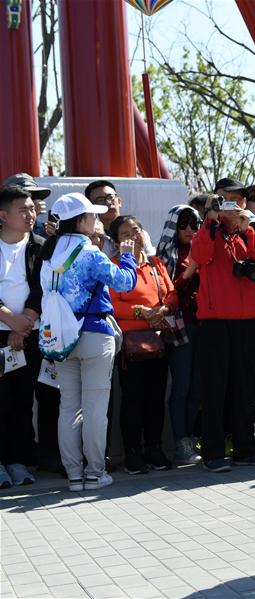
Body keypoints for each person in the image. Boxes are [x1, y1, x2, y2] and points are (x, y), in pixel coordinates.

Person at [39, 193, 137, 491]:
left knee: (68, 407)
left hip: (61, 338)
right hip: (94, 333)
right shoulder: (90, 252)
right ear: (80, 221)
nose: (97, 220)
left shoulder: (48, 256)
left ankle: (74, 475)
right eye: (92, 216)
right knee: (95, 408)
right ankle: (95, 472)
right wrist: (128, 255)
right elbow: (125, 282)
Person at [191, 187, 255, 472]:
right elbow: (200, 256)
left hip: (247, 320)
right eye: (226, 199)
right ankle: (213, 452)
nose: (232, 204)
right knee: (214, 388)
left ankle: (244, 449)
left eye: (237, 200)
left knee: (244, 387)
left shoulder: (250, 230)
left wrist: (247, 228)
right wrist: (210, 220)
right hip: (214, 321)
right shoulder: (209, 230)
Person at [109, 216, 176, 474]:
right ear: (116, 241)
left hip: (157, 339)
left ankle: (155, 448)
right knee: (132, 399)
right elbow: (113, 304)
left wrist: (165, 308)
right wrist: (141, 313)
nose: (132, 236)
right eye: (125, 233)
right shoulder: (114, 266)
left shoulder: (156, 264)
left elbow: (172, 293)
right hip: (130, 345)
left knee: (156, 397)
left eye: (135, 230)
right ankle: (133, 453)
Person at [0, 185, 46, 486]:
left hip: (29, 333)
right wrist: (10, 321)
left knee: (21, 401)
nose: (31, 214)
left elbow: (44, 288)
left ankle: (18, 461)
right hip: (2, 330)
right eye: (23, 209)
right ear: (3, 215)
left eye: (32, 208)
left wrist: (25, 322)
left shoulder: (41, 246)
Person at [155, 204, 203, 464]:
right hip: (180, 328)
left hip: (206, 325)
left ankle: (192, 440)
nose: (189, 229)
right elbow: (166, 291)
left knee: (198, 388)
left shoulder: (205, 250)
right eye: (182, 224)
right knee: (182, 386)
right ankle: (181, 443)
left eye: (194, 224)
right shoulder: (164, 256)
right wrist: (192, 269)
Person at [84, 180, 155, 258]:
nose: (108, 202)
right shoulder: (91, 238)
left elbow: (150, 259)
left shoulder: (139, 233)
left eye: (110, 197)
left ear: (119, 201)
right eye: (100, 200)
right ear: (92, 207)